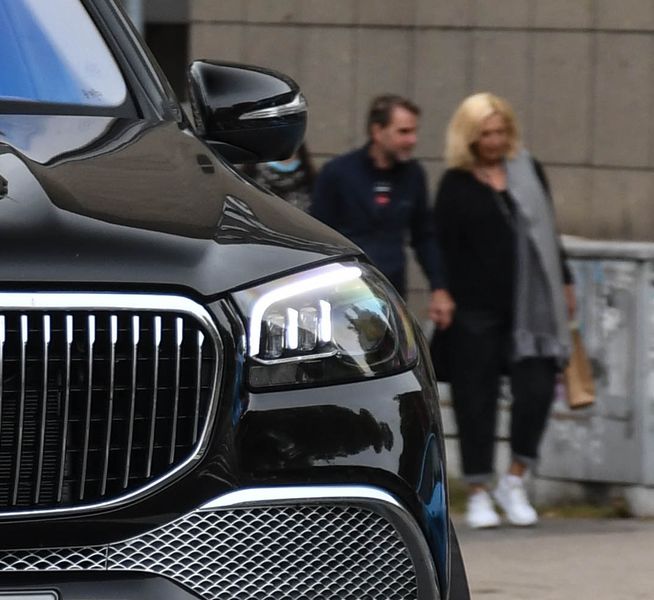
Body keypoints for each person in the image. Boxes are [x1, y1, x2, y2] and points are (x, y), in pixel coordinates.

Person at [433, 92, 573, 530]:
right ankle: (478, 489)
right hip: (475, 307)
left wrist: (565, 281)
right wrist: (441, 291)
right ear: (469, 137)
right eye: (486, 134)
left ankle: (515, 479)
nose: (495, 141)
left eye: (501, 131)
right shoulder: (455, 184)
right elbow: (441, 245)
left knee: (535, 391)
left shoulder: (527, 172)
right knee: (476, 401)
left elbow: (548, 232)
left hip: (529, 306)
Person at [307, 94, 449, 323]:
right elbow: (316, 236)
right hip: (342, 297)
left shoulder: (413, 175)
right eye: (403, 132)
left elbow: (424, 236)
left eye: (414, 131)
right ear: (377, 131)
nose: (412, 140)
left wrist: (439, 287)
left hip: (391, 294)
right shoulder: (338, 173)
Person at [238, 143, 316, 210]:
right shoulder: (248, 181)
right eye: (277, 154)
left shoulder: (312, 183)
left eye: (288, 154)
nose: (284, 160)